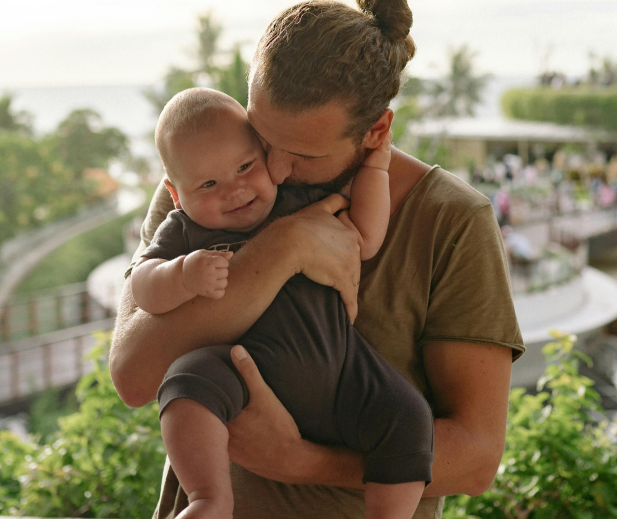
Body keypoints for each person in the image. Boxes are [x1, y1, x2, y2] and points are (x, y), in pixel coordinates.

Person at [110, 0, 525, 519]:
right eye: (262, 138)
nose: (274, 172)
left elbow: (476, 458)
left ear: (375, 131)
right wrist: (283, 247)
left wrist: (302, 461)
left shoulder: (449, 220)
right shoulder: (208, 187)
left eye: (302, 154)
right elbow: (134, 375)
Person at [131, 88, 432, 519]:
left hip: (344, 369)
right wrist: (180, 275)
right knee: (186, 385)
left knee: (408, 416)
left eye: (245, 166)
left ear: (267, 154)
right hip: (239, 367)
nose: (234, 190)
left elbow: (365, 236)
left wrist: (377, 166)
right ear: (176, 195)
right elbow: (143, 286)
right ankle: (209, 498)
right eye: (209, 184)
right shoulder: (183, 231)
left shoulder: (297, 200)